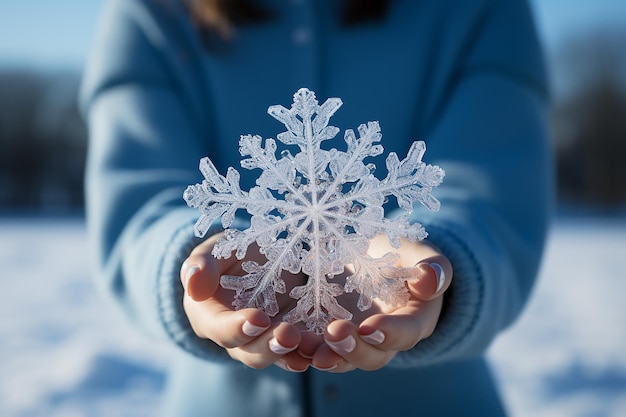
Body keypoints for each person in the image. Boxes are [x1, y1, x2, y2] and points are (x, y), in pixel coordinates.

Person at [80, 0, 553, 415]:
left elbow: (493, 184)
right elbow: (140, 199)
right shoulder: (152, 10)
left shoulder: (482, 7)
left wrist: (439, 259)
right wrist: (193, 263)